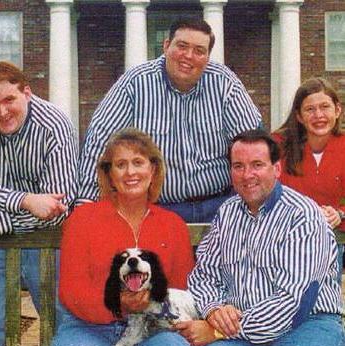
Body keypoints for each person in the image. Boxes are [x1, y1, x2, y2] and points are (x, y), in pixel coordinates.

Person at [183, 130, 344, 346]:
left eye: (257, 165)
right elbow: (204, 275)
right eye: (238, 166)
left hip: (307, 326)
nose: (247, 175)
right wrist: (215, 310)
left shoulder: (304, 216)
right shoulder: (227, 213)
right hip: (244, 334)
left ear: (276, 169)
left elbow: (294, 302)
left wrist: (218, 330)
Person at [78, 17, 262, 223]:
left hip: (222, 208)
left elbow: (254, 143)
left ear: (208, 57)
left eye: (199, 51)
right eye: (182, 46)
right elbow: (100, 144)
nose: (189, 56)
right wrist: (86, 206)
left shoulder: (224, 82)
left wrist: (263, 199)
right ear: (166, 46)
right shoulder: (135, 83)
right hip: (157, 210)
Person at [0, 61, 78, 346]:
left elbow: (56, 211)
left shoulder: (55, 124)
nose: (1, 111)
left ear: (27, 93)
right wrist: (26, 200)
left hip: (46, 245)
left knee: (64, 326)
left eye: (10, 100)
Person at [51, 128, 195, 346]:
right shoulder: (83, 219)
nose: (130, 172)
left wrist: (151, 303)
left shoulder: (172, 225)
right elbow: (71, 292)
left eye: (138, 163)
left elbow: (180, 290)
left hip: (148, 331)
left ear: (153, 170)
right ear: (109, 174)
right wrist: (120, 303)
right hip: (88, 330)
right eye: (120, 165)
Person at [272, 77, 345, 284]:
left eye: (325, 107)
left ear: (337, 110)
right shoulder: (277, 145)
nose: (319, 115)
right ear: (299, 116)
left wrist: (339, 214)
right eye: (310, 109)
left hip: (329, 244)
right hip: (282, 242)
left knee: (323, 306)